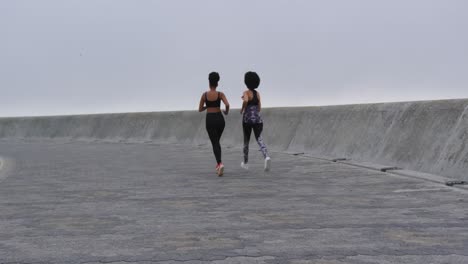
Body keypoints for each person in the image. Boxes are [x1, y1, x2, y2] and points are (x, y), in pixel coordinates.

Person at [199, 72, 230, 176]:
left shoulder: (204, 95)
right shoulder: (220, 94)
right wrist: (226, 112)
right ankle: (218, 165)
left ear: (209, 82)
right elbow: (227, 104)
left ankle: (219, 164)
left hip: (210, 119)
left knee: (215, 143)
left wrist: (208, 106)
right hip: (220, 120)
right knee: (216, 142)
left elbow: (200, 109)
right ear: (217, 83)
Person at [240, 71, 271, 171]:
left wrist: (243, 109)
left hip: (247, 119)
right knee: (259, 139)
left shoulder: (246, 92)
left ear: (246, 82)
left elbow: (245, 100)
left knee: (246, 141)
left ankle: (245, 163)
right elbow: (259, 107)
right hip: (257, 119)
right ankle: (266, 156)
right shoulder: (257, 94)